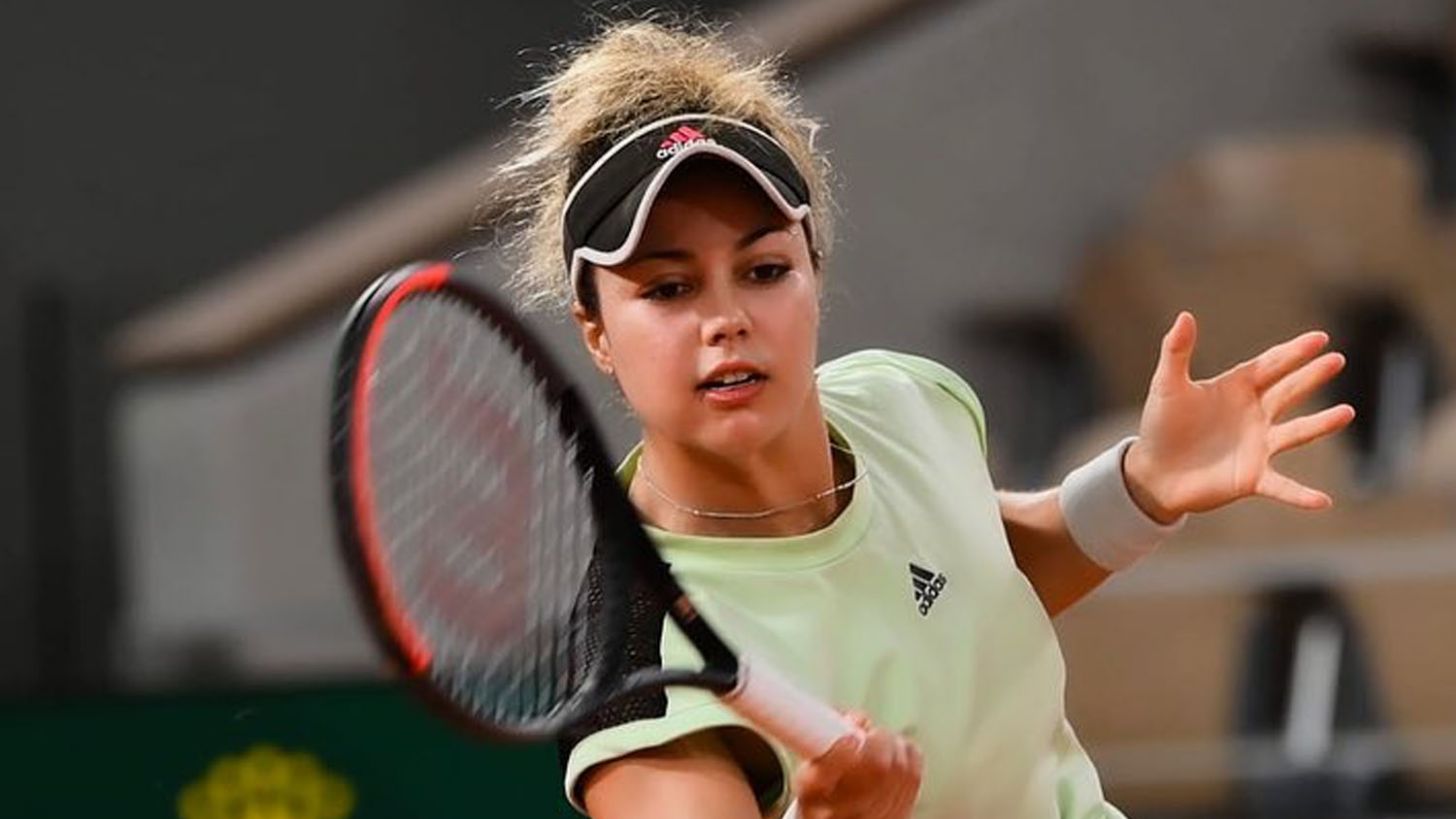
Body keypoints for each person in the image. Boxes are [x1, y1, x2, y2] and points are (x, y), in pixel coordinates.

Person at [494, 19, 1355, 819]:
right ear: (596, 330)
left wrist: (1139, 489)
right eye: (669, 288)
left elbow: (970, 579)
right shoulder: (637, 672)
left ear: (814, 271)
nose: (726, 320)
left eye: (763, 270)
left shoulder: (905, 403)